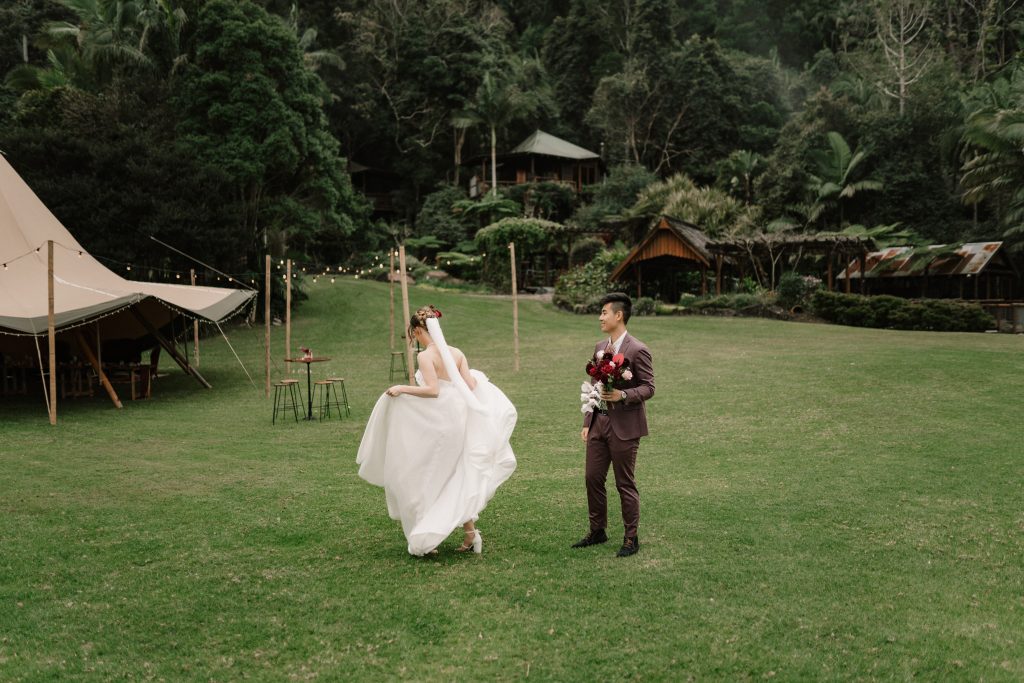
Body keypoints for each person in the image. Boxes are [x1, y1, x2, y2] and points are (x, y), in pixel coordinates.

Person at [356, 305, 517, 556]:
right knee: (456, 475)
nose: (414, 337)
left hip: (440, 424)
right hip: (460, 420)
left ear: (419, 330)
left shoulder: (425, 356)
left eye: (413, 333)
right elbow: (471, 385)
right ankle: (470, 535)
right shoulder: (457, 353)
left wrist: (402, 388)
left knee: (427, 475)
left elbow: (433, 391)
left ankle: (428, 536)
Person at [573, 293, 655, 557]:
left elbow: (648, 387)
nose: (600, 317)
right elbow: (595, 386)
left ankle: (631, 538)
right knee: (592, 478)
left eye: (604, 312)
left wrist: (623, 395)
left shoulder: (637, 349)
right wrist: (588, 420)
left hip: (625, 428)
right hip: (599, 423)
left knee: (624, 483)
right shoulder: (600, 347)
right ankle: (598, 530)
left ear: (618, 315)